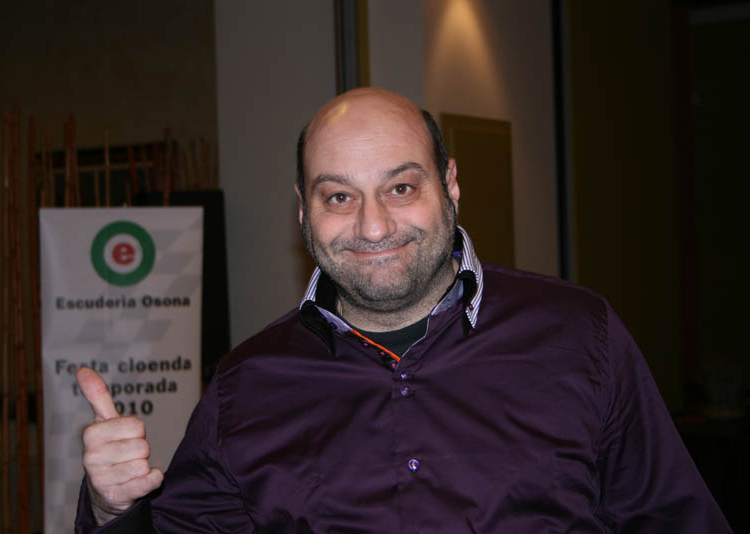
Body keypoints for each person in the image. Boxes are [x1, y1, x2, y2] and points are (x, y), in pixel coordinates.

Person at [75, 88, 732, 533]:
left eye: (401, 187)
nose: (373, 225)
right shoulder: (243, 386)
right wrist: (111, 510)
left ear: (449, 185)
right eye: (339, 197)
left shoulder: (580, 336)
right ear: (303, 211)